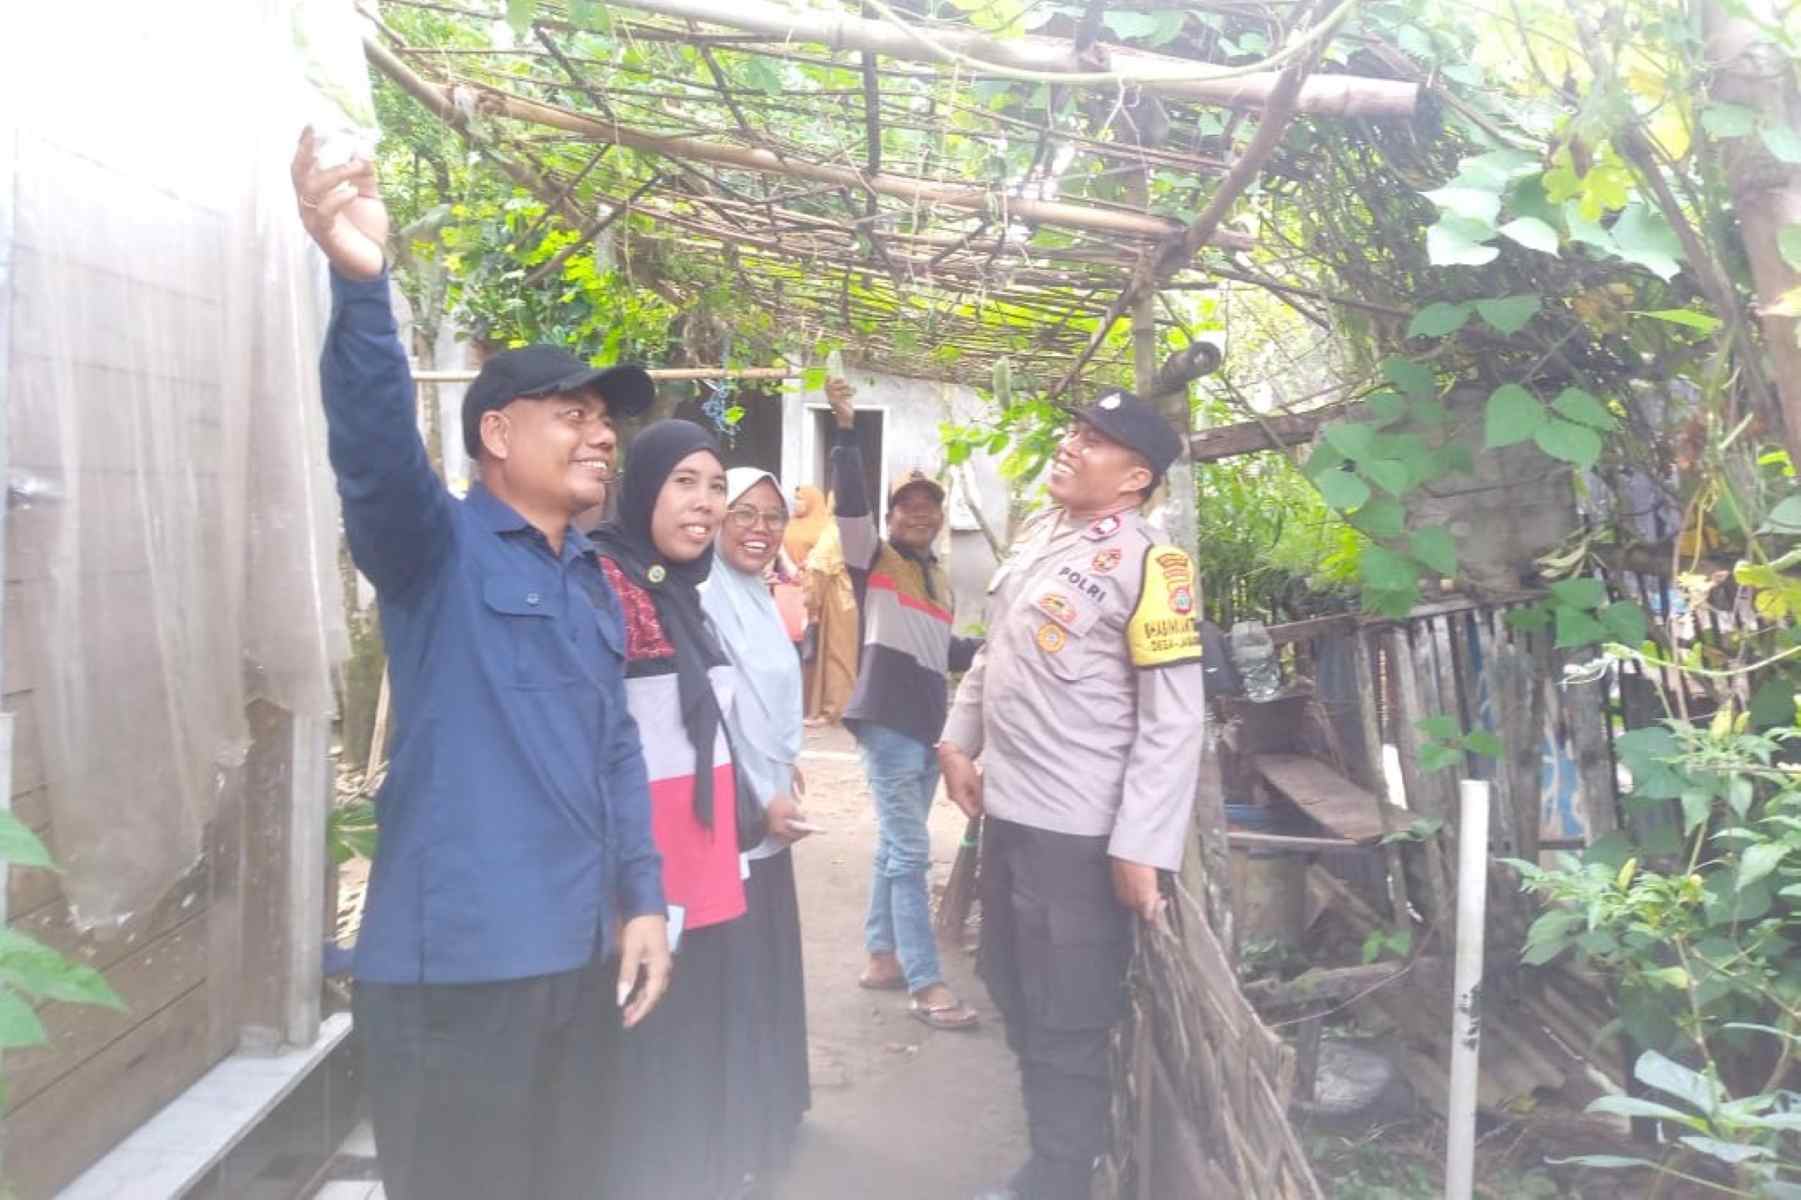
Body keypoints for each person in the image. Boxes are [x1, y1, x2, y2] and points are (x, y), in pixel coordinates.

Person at [290, 128, 670, 1200]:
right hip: (455, 977)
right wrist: (362, 286)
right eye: (574, 415)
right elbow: (372, 450)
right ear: (496, 434)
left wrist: (643, 900)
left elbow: (614, 753)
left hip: (578, 959)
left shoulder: (591, 578)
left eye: (605, 421)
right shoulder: (434, 552)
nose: (601, 436)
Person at [937, 390, 1207, 1200]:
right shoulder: (1041, 538)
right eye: (1074, 431)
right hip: (1010, 816)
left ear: (1134, 477)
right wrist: (956, 740)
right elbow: (995, 655)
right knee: (1013, 987)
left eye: (1094, 440)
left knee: (1068, 1013)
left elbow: (1173, 718)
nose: (1069, 445)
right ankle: (1048, 1160)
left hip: (1079, 836)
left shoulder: (1153, 566)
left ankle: (1059, 1177)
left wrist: (1141, 846)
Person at [588, 419, 759, 1200]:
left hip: (705, 865)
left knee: (693, 1057)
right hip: (644, 876)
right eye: (683, 481)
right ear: (642, 488)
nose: (704, 502)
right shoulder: (601, 584)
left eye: (715, 485)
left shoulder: (685, 594)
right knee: (643, 1069)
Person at [825, 378, 981, 1030]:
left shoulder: (938, 578)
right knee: (912, 854)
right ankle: (926, 983)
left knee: (896, 849)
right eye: (907, 505)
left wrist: (999, 648)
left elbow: (944, 650)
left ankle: (882, 957)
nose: (919, 513)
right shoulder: (873, 559)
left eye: (928, 506)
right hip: (888, 722)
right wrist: (845, 432)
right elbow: (850, 505)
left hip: (926, 726)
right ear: (890, 517)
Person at [702, 468, 815, 1182]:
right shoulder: (705, 597)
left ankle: (775, 1109)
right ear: (715, 518)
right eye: (743, 513)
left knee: (768, 957)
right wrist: (759, 795)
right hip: (734, 819)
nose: (760, 529)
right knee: (739, 969)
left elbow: (766, 700)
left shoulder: (757, 595)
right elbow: (720, 716)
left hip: (770, 806)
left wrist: (785, 764)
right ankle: (741, 1137)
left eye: (773, 516)